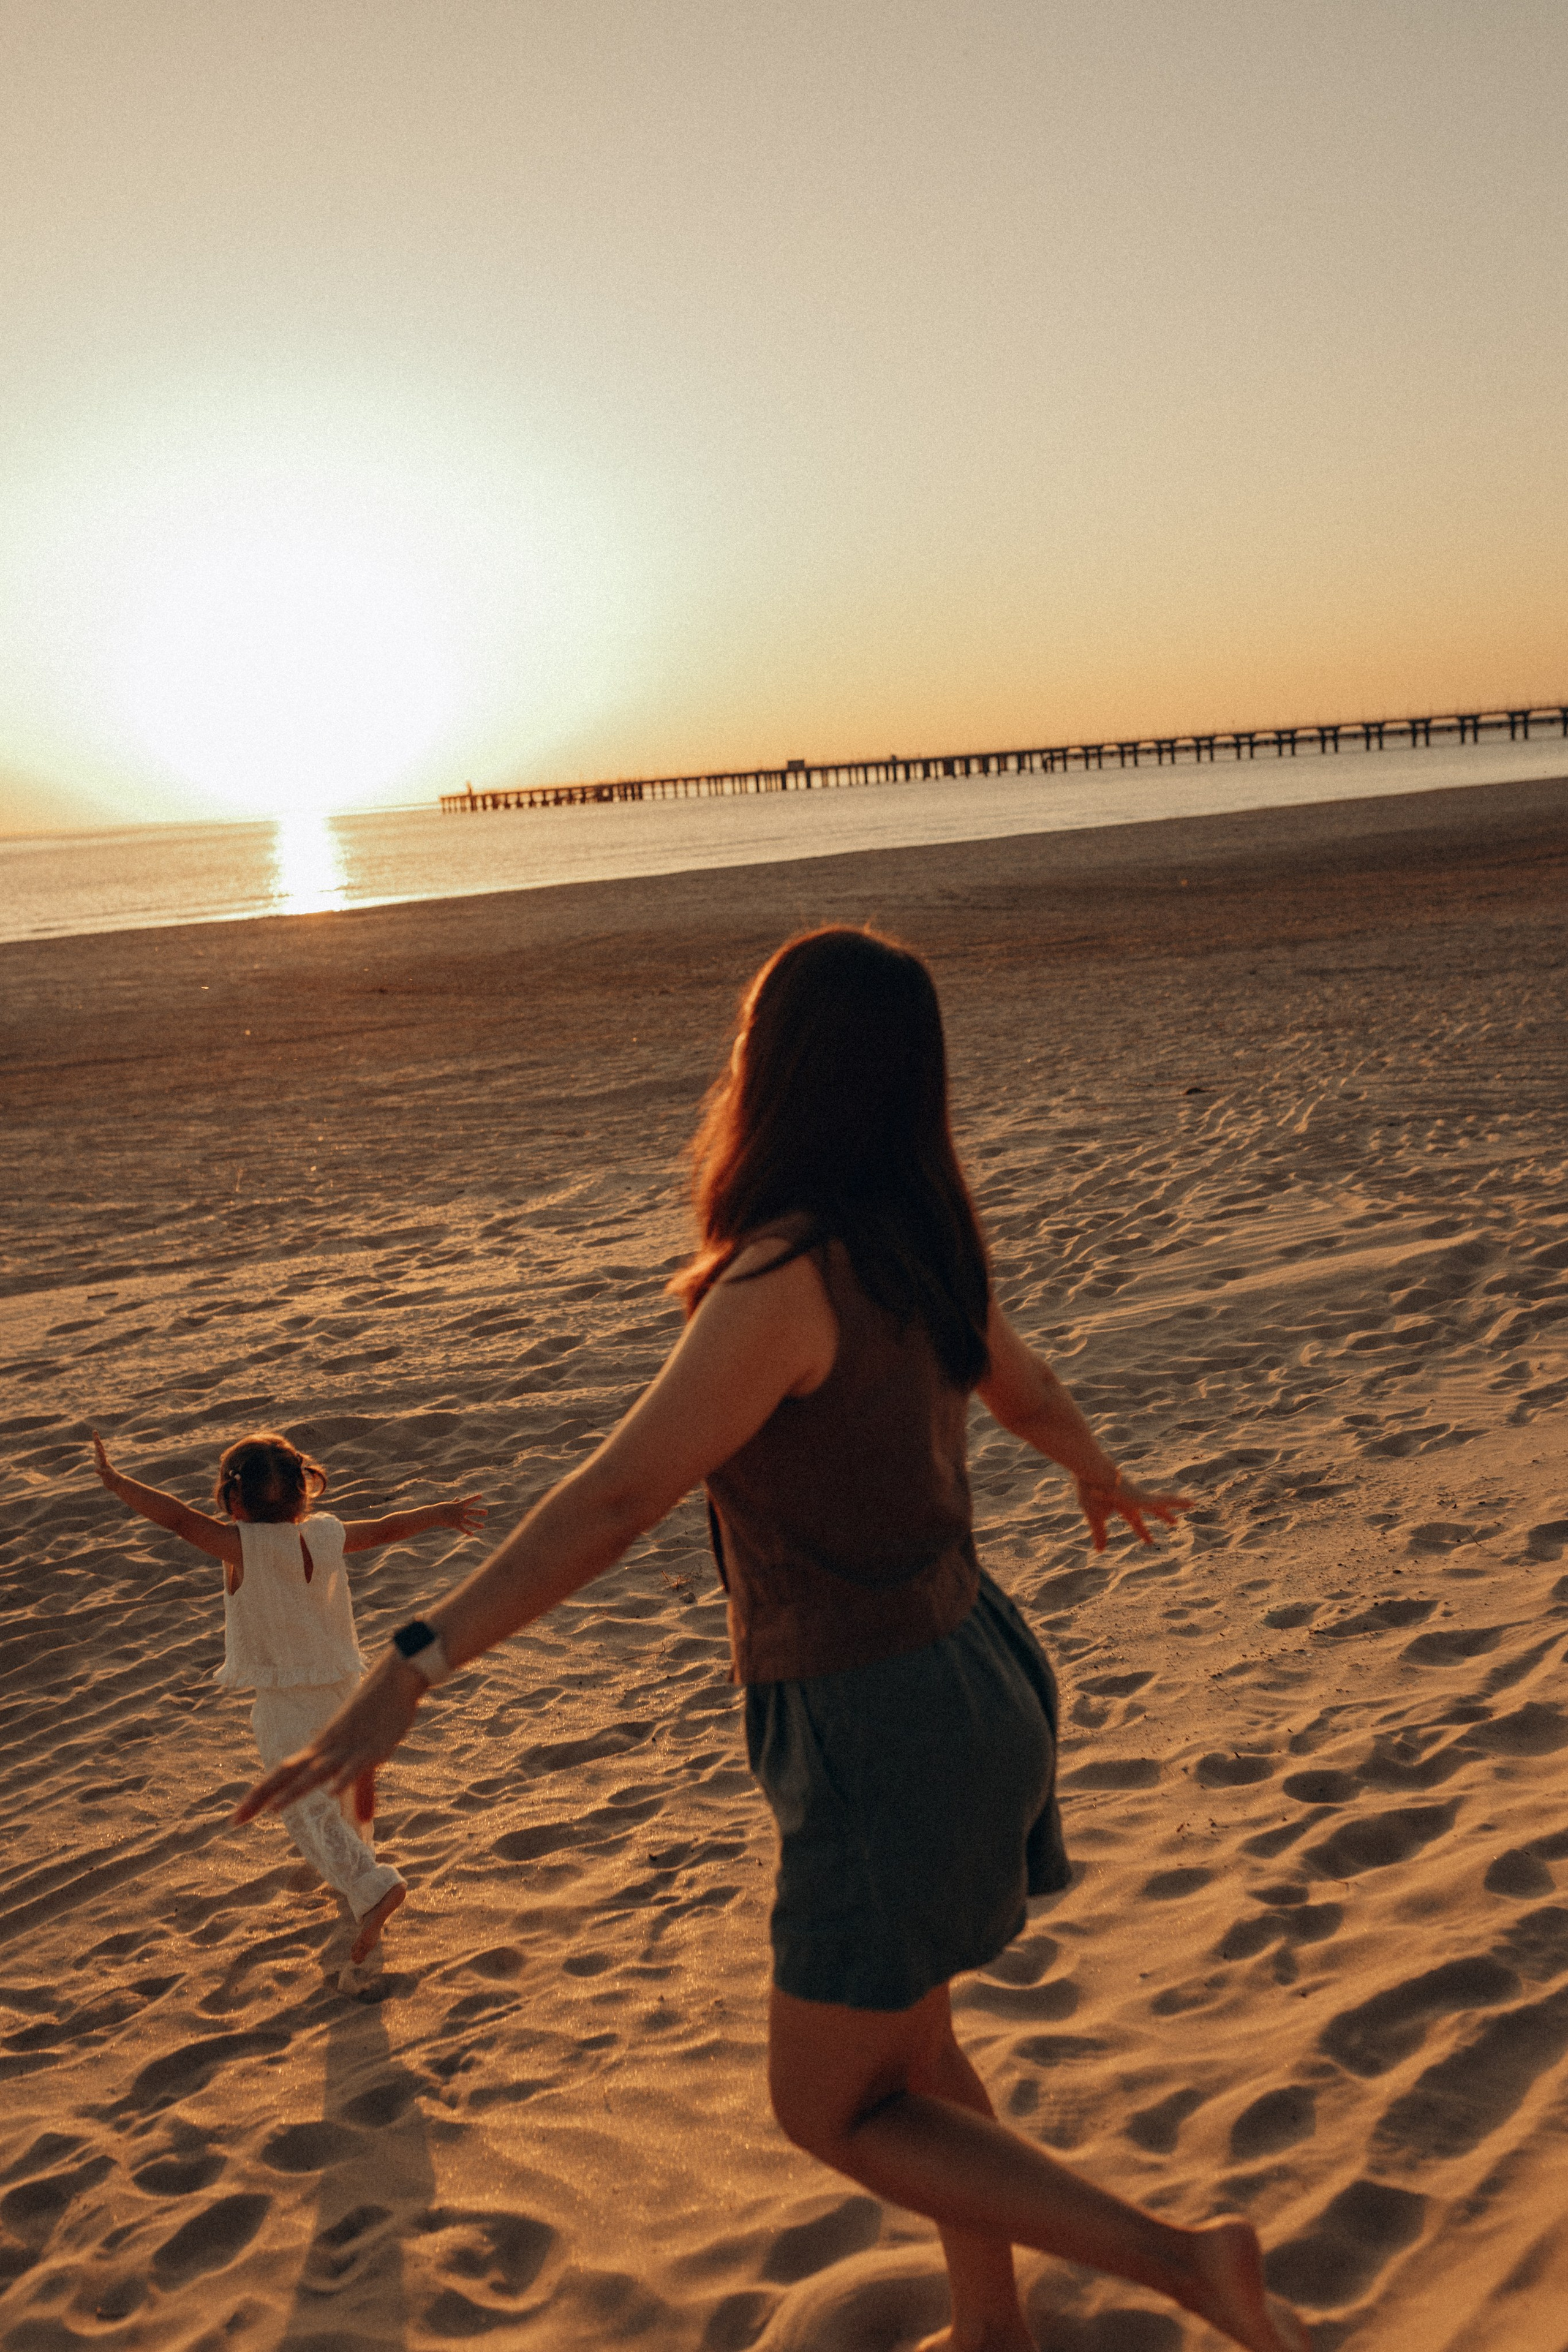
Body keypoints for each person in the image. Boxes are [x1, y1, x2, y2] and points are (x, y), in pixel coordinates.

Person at [238, 929, 1306, 2352]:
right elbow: (1029, 1386)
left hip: (881, 1721)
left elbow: (616, 1496)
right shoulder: (918, 1238)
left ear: (777, 1070)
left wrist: (411, 1662)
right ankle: (994, 2327)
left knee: (827, 2105)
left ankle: (1183, 2261)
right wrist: (1093, 1467)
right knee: (912, 2053)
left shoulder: (783, 1275)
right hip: (979, 1670)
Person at [92, 1428, 485, 1964]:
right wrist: (440, 1512)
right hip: (344, 1688)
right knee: (346, 1793)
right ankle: (360, 1880)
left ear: (233, 1500)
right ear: (305, 1493)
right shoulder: (325, 1535)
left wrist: (117, 1483)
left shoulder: (240, 1547)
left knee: (305, 1804)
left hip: (285, 1702)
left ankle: (371, 1887)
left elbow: (178, 1519)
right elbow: (388, 1528)